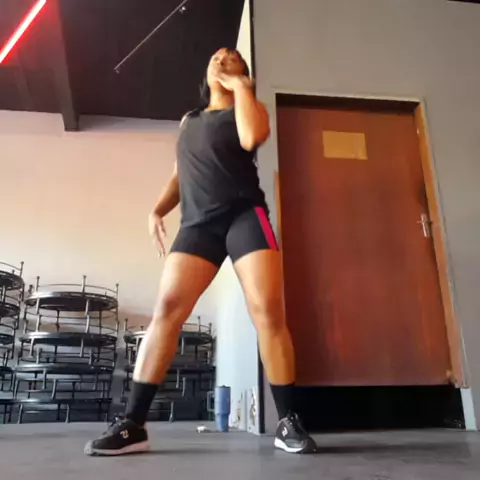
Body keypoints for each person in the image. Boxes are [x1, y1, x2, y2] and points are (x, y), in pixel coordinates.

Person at [84, 48, 317, 456]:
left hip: (244, 215)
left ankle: (288, 421)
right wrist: (157, 209)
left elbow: (251, 137)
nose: (221, 59)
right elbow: (181, 173)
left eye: (232, 57)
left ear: (243, 72)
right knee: (167, 309)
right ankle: (133, 425)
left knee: (267, 309)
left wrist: (241, 87)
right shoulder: (189, 120)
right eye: (215, 57)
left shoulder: (248, 108)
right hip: (197, 224)